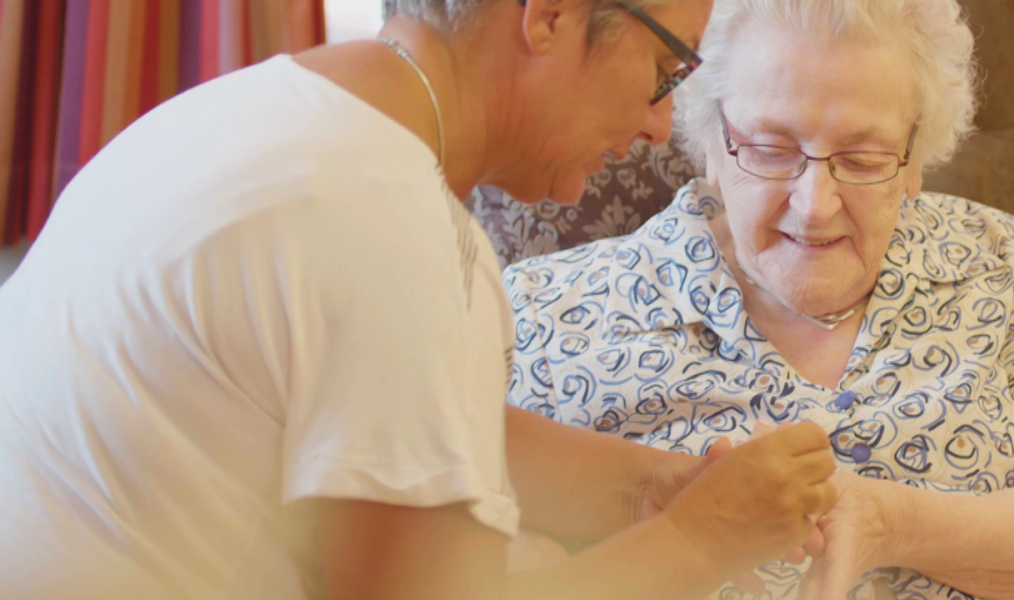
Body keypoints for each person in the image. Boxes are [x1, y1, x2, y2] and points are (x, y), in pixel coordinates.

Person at [0, 0, 839, 598]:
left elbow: (401, 428)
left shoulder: (267, 112)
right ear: (547, 16)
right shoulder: (391, 223)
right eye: (667, 69)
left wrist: (655, 487)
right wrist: (701, 541)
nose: (661, 127)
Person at [502, 0, 1014, 598]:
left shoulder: (1000, 260)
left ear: (916, 158)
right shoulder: (543, 310)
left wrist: (889, 520)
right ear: (712, 141)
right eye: (772, 151)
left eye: (862, 158)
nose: (814, 204)